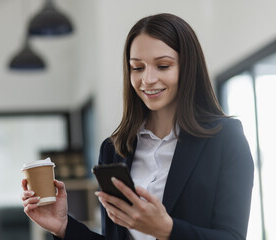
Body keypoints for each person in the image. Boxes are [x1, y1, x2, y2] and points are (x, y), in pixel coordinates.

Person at [21, 13, 254, 240]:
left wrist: (167, 230)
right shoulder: (114, 149)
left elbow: (232, 236)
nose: (148, 79)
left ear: (188, 68)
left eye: (163, 66)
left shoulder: (225, 138)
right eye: (137, 67)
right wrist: (63, 226)